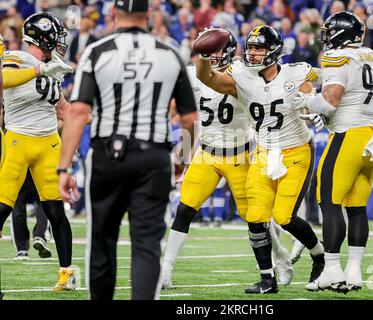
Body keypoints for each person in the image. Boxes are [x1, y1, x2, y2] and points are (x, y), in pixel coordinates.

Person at [58, 0, 197, 300]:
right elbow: (189, 119)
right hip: (154, 155)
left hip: (109, 154)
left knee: (102, 242)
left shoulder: (97, 51)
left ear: (113, 13)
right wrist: (182, 159)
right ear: (148, 14)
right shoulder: (170, 53)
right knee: (147, 244)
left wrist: (64, 168)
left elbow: (79, 112)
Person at [196, 25, 325, 294]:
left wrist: (312, 99)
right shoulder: (240, 73)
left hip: (296, 151)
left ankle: (319, 256)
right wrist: (203, 56)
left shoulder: (295, 71)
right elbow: (208, 78)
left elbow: (325, 78)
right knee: (255, 217)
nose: (252, 53)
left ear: (274, 51)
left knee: (285, 217)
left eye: (259, 48)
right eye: (251, 47)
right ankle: (268, 279)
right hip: (264, 152)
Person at [160, 32, 294, 291]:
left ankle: (280, 255)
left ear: (231, 51)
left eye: (219, 49)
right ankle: (166, 268)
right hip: (207, 153)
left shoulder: (245, 73)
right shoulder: (192, 74)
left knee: (255, 217)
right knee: (185, 209)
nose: (215, 55)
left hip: (240, 154)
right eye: (210, 49)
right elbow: (178, 111)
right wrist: (182, 151)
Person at [296, 12, 373, 292]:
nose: (325, 38)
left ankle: (333, 269)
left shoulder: (336, 57)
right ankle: (354, 272)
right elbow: (350, 97)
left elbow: (332, 99)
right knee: (356, 207)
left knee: (328, 200)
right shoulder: (369, 54)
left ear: (340, 34)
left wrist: (307, 101)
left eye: (329, 32)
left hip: (349, 136)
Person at [0, 12, 76, 291]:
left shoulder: (52, 67)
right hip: (18, 140)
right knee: (2, 207)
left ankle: (66, 275)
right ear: (42, 37)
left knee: (56, 211)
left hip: (49, 143)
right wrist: (39, 71)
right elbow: (3, 80)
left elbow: (65, 110)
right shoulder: (16, 57)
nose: (59, 42)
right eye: (55, 36)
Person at [11, 171, 51, 260]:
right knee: (45, 200)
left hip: (18, 163)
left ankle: (22, 249)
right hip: (40, 162)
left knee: (17, 205)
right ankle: (40, 236)